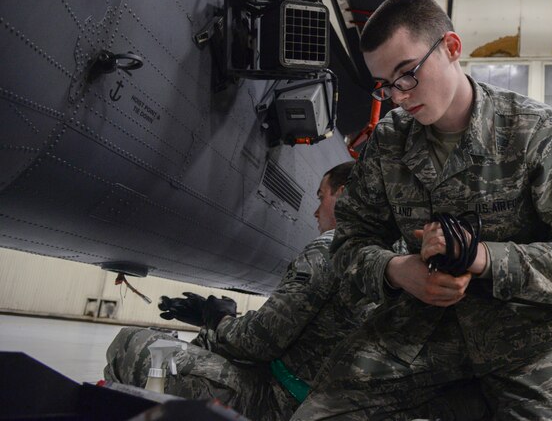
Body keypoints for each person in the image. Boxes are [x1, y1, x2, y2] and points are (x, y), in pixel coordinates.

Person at [293, 0, 552, 420]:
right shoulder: (390, 140)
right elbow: (348, 243)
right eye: (386, 85)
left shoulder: (535, 132)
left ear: (451, 48)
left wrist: (486, 257)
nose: (399, 96)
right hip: (414, 340)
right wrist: (396, 271)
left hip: (530, 345)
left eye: (407, 73)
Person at [104, 161, 363, 421]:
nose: (316, 212)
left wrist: (219, 320)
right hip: (323, 402)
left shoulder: (331, 248)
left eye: (321, 198)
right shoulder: (380, 256)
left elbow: (260, 342)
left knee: (132, 346)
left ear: (342, 194)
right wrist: (211, 322)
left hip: (283, 404)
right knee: (207, 342)